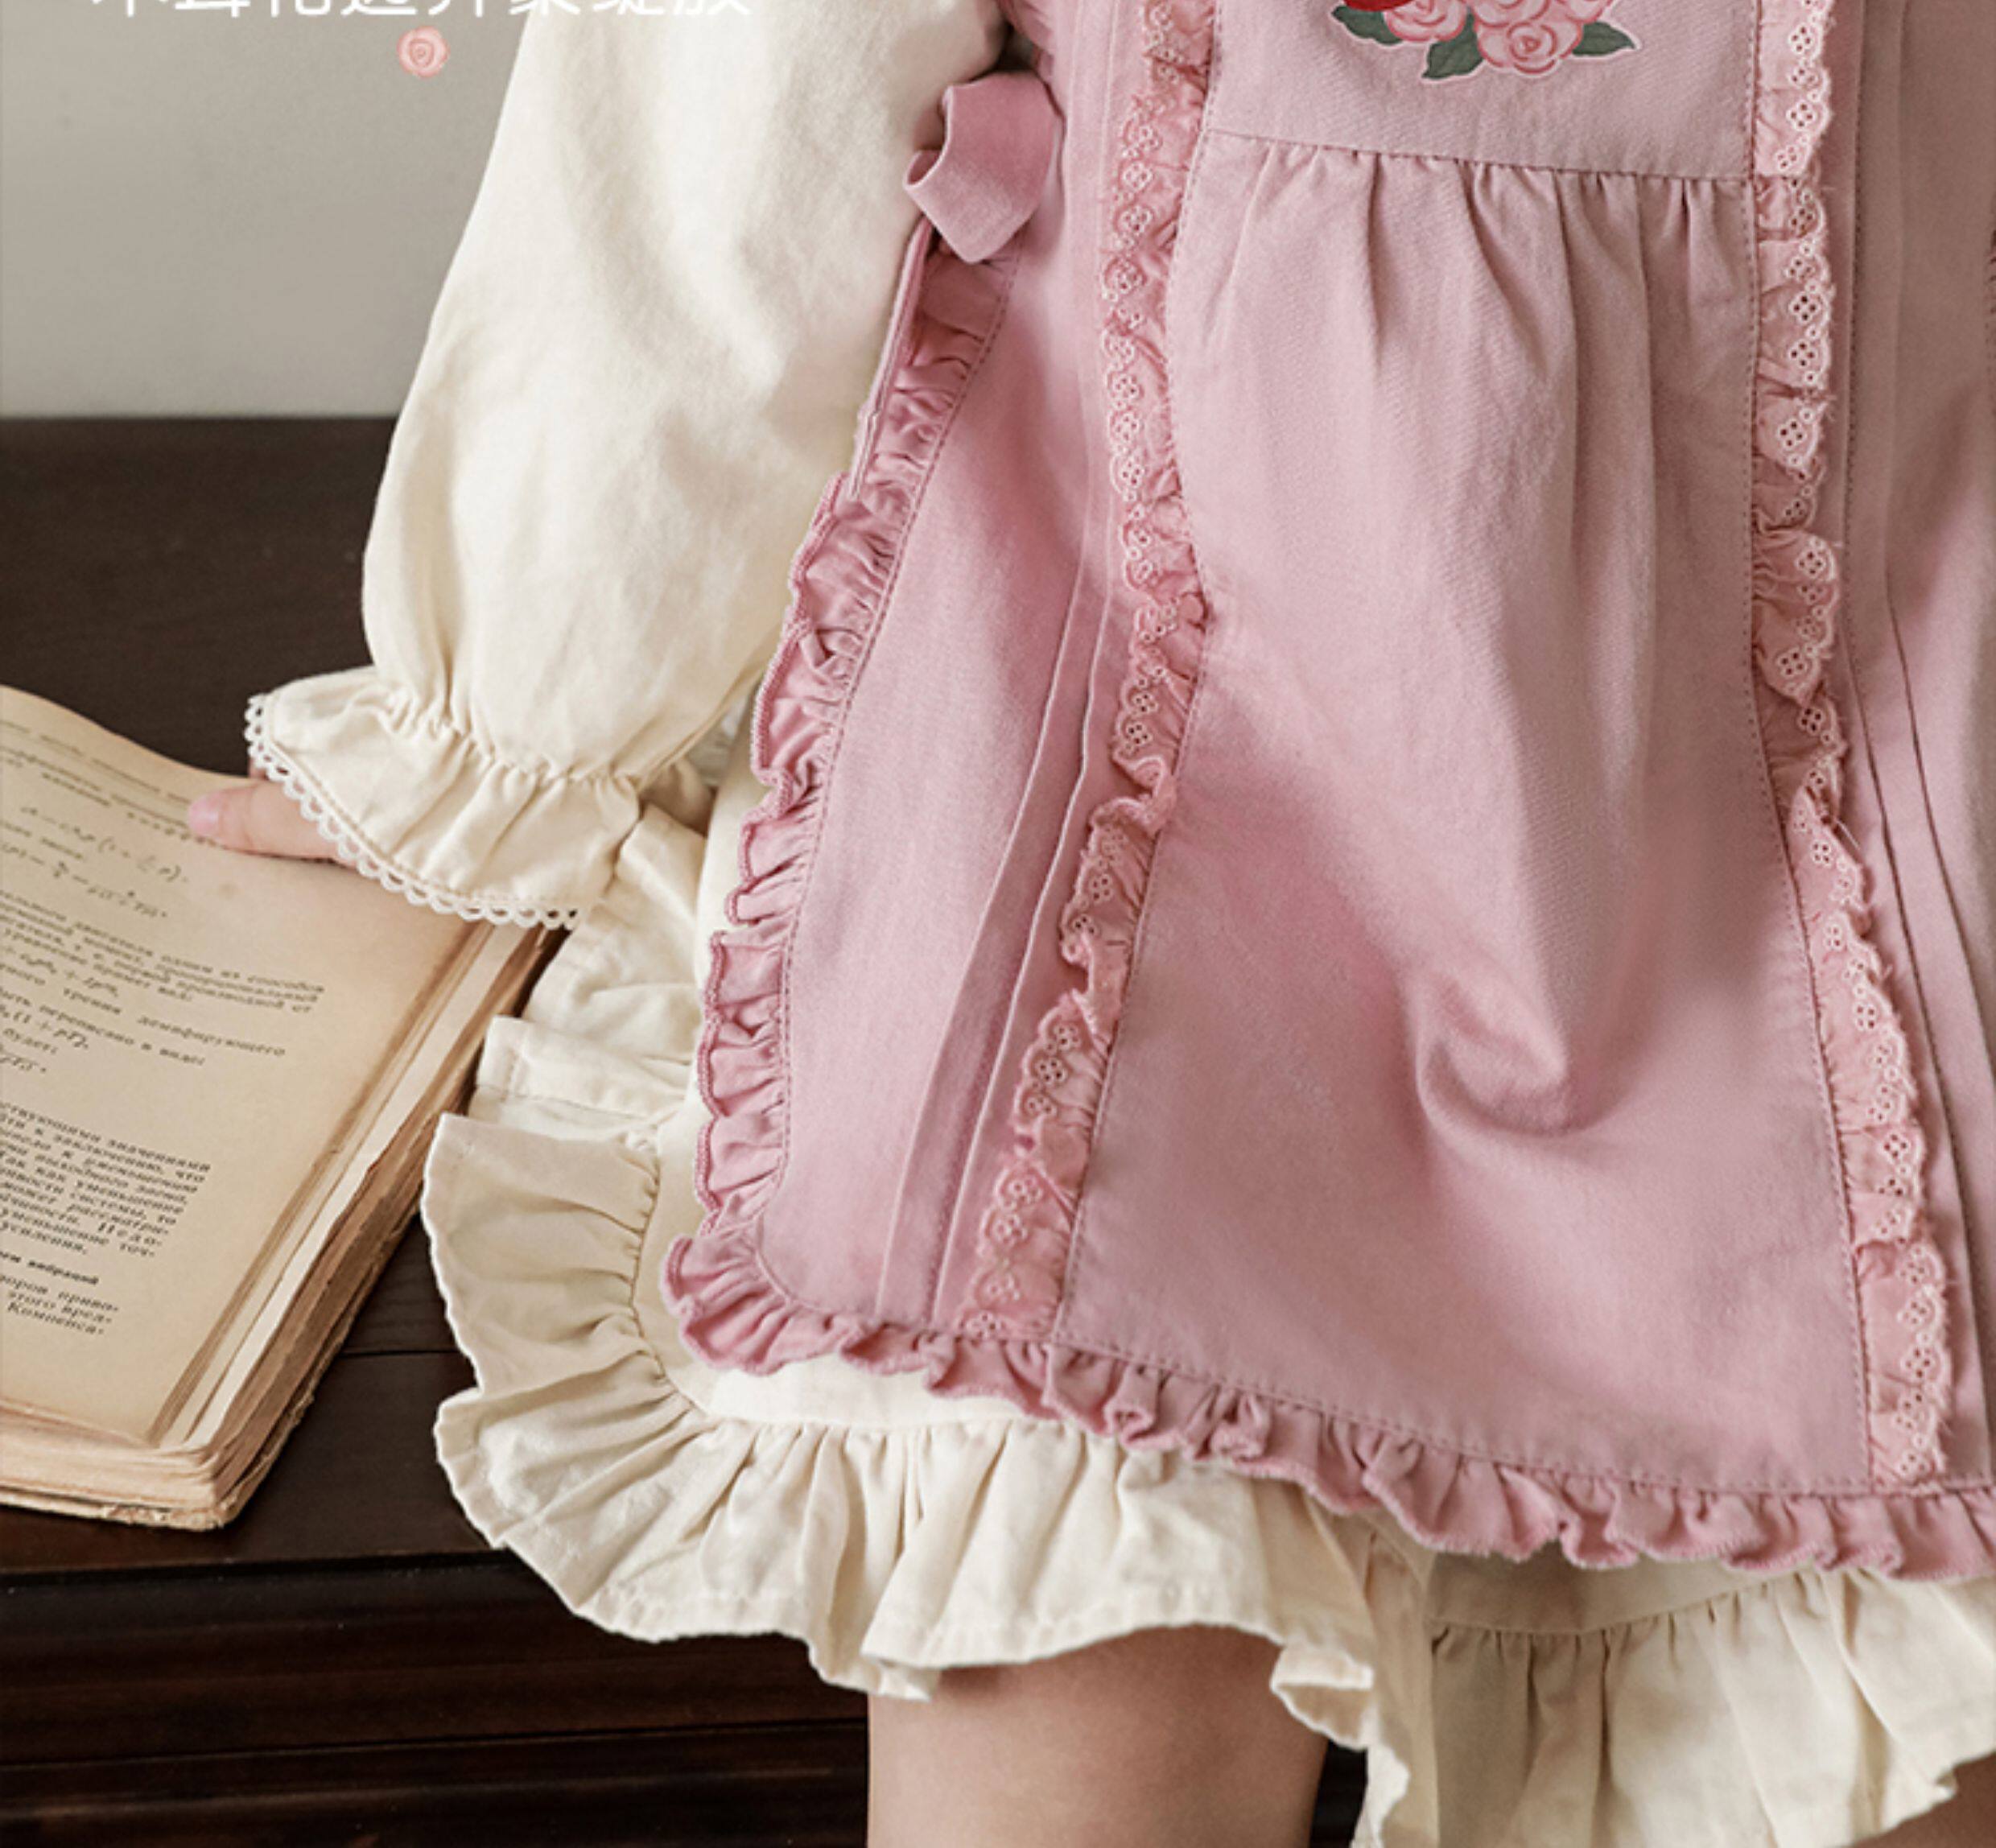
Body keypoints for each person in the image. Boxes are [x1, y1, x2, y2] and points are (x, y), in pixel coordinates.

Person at [188, 3, 1996, 1843]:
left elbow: (732, 156)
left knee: (1085, 1595)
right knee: (1831, 1660)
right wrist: (486, 728)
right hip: (1464, 765)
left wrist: (502, 719)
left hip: (1194, 738)